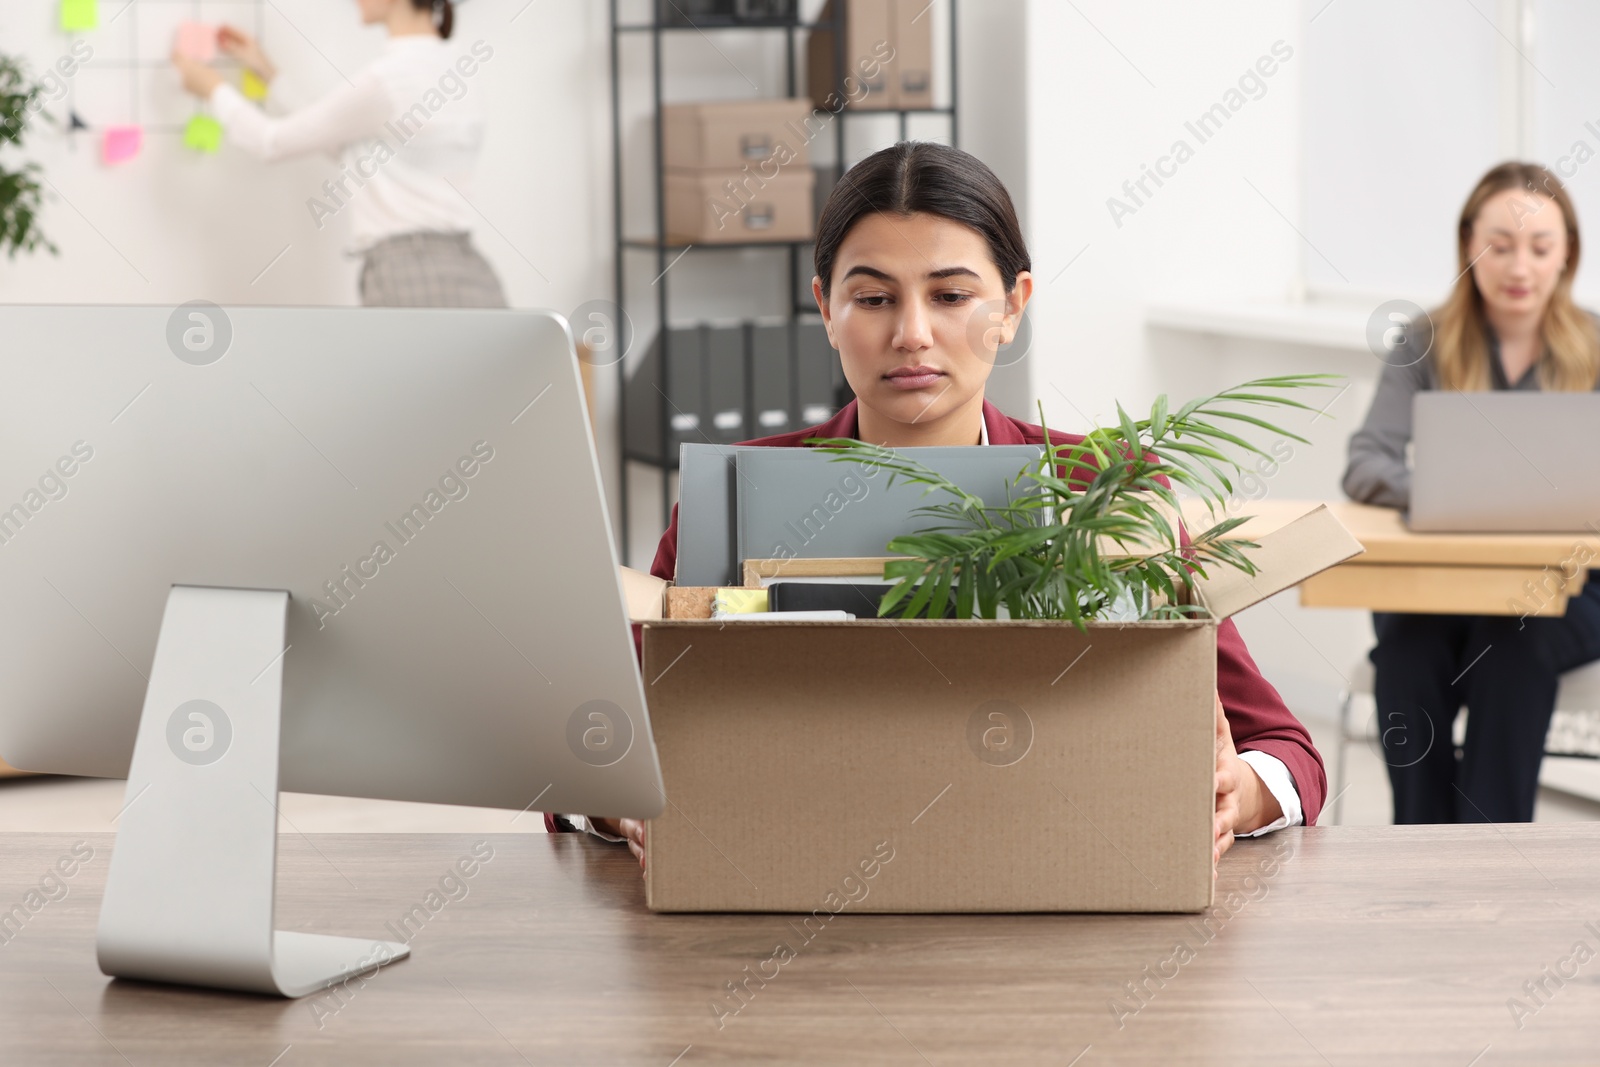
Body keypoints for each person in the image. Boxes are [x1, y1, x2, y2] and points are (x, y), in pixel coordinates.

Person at [549, 141, 1326, 870]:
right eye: (873, 297)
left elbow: (1286, 748)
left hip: (1049, 886)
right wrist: (625, 807)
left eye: (951, 294)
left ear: (1014, 305)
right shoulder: (737, 489)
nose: (912, 334)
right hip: (785, 890)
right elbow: (589, 744)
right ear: (826, 308)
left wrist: (1237, 790)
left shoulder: (1103, 484)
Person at [1344, 160, 1600, 824]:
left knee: (1514, 646)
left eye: (1540, 247)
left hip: (1567, 585)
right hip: (1441, 576)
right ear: (1468, 244)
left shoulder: (1596, 347)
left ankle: (1489, 867)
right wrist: (1447, 493)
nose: (1520, 266)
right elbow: (1366, 461)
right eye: (1500, 244)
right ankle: (1424, 854)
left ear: (1567, 252)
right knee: (1406, 655)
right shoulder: (1424, 341)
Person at [170, 0, 507, 309]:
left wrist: (212, 88)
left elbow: (270, 142)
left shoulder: (388, 80)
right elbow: (349, 144)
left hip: (407, 276)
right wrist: (267, 73)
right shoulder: (456, 70)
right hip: (472, 273)